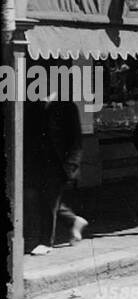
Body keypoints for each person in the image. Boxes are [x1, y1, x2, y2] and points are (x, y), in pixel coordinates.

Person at [28, 96, 89, 254]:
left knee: (49, 200)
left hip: (59, 164)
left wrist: (71, 165)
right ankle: (73, 221)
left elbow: (76, 139)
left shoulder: (67, 106)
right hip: (39, 163)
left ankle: (46, 242)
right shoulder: (35, 105)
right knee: (45, 199)